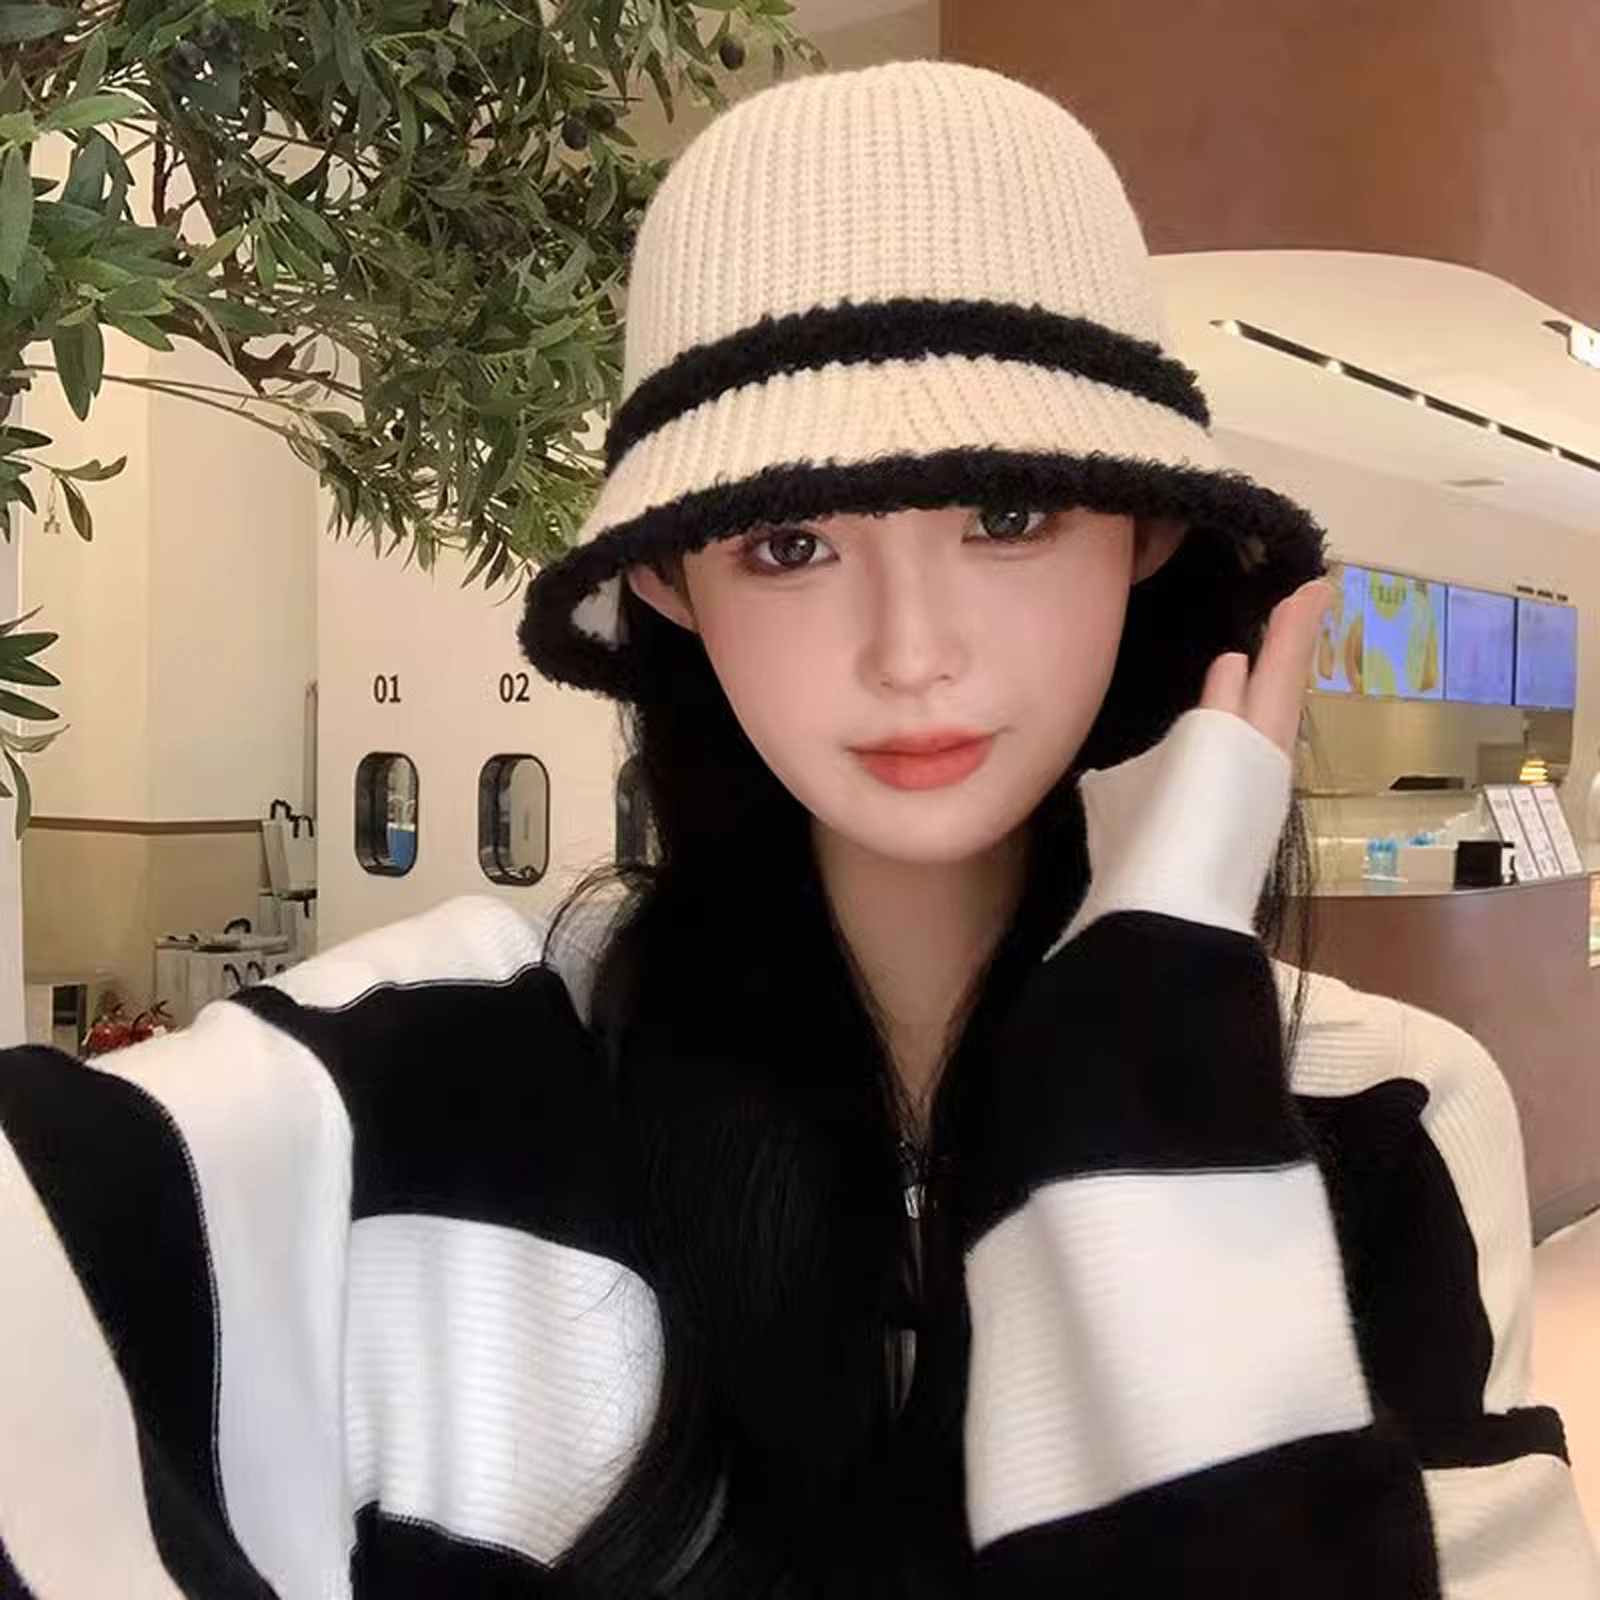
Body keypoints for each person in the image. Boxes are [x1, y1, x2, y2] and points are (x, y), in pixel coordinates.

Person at [1, 58, 1594, 1600]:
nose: (911, 651)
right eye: (787, 542)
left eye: (1010, 514)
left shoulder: (1382, 1117)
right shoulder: (420, 1077)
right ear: (669, 581)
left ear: (1148, 532)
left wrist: (1156, 1070)